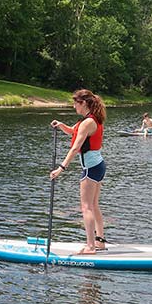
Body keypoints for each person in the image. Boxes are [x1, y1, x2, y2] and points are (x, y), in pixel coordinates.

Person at [50, 89, 107, 255]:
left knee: (86, 207)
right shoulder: (90, 119)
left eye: (76, 103)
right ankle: (100, 241)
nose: (74, 106)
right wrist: (61, 125)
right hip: (97, 166)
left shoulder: (87, 122)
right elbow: (73, 132)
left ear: (83, 103)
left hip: (91, 168)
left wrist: (61, 168)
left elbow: (75, 148)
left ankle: (90, 246)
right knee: (94, 205)